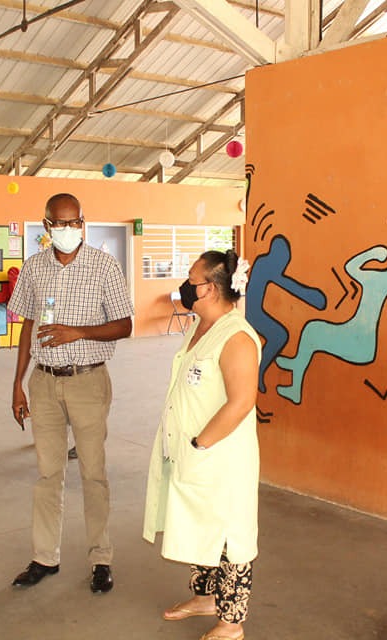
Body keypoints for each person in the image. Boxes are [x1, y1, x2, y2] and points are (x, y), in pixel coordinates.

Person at [8, 193, 133, 593]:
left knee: (93, 473)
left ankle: (101, 558)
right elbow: (27, 325)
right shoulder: (34, 267)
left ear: (83, 222)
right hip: (43, 383)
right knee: (48, 474)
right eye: (59, 223)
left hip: (87, 381)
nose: (66, 229)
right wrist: (18, 383)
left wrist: (78, 332)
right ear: (47, 225)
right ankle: (45, 557)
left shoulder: (104, 266)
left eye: (73, 222)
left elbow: (125, 325)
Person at [143, 249, 260, 640]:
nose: (185, 286)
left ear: (210, 288)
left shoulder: (236, 337)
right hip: (193, 453)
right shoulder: (201, 326)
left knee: (228, 536)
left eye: (192, 280)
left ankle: (231, 622)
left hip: (219, 457)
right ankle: (206, 598)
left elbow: (241, 402)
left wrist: (200, 444)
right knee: (198, 525)